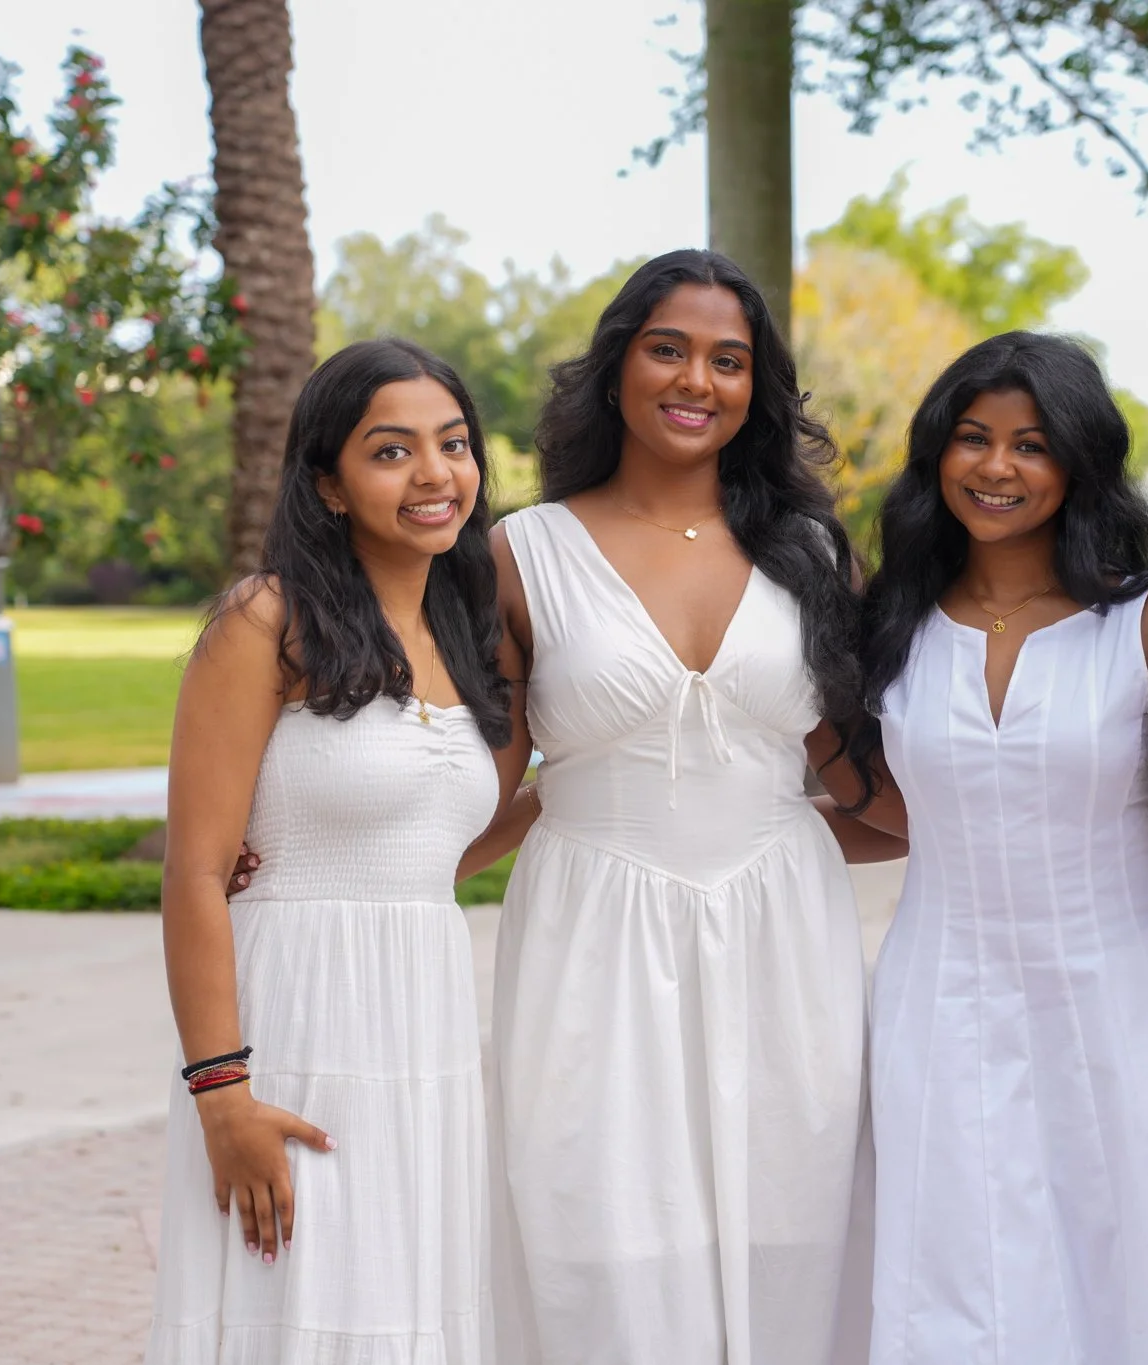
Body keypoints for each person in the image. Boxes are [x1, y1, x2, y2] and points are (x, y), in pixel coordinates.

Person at [477, 249, 901, 1365]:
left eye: (729, 360)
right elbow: (485, 785)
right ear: (618, 364)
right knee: (596, 1246)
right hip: (589, 940)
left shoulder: (807, 554)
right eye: (669, 348)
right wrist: (314, 861)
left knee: (794, 1237)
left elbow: (875, 789)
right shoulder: (522, 554)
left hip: (783, 940)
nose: (696, 381)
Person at [819, 332, 1148, 1363]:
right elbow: (886, 805)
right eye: (972, 439)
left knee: (1141, 1270)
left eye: (1030, 443)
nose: (997, 467)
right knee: (957, 1281)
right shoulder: (886, 625)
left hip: (1127, 998)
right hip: (939, 994)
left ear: (1078, 460)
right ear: (935, 455)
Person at [146, 339, 524, 1365]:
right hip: (296, 1030)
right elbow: (192, 874)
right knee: (292, 1310)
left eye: (452, 444)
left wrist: (561, 802)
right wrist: (221, 1097)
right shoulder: (265, 621)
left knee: (406, 1310)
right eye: (391, 452)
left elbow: (422, 859)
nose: (434, 474)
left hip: (425, 1036)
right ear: (327, 483)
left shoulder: (469, 636)